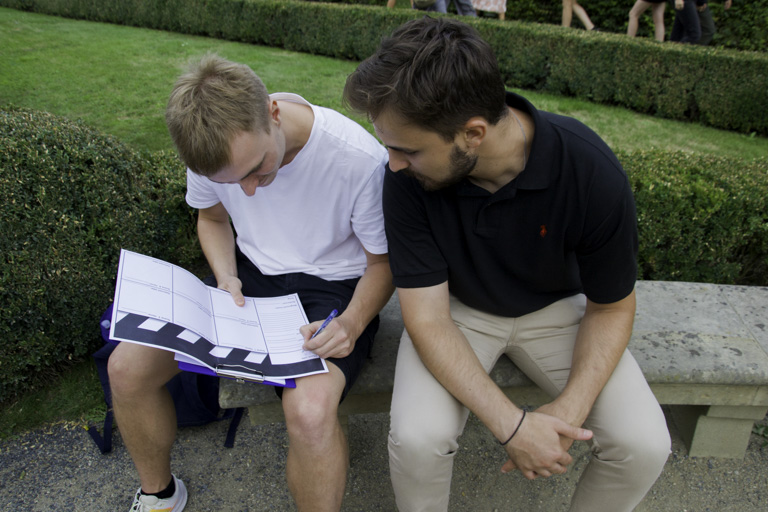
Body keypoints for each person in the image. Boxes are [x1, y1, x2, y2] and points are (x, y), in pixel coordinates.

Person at [343, 17, 670, 512]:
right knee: (418, 439)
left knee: (644, 445)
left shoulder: (588, 170)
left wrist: (567, 411)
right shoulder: (405, 179)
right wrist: (513, 427)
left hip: (557, 311)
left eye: (406, 148)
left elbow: (612, 308)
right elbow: (426, 318)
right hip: (454, 313)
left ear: (472, 133)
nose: (392, 163)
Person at [108, 54, 394, 512]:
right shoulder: (212, 149)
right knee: (126, 369)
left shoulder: (357, 158)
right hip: (248, 275)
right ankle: (159, 495)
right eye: (230, 180)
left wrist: (354, 324)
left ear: (273, 113)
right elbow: (212, 218)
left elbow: (383, 264)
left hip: (334, 287)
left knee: (310, 411)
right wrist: (226, 277)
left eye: (257, 168)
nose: (248, 190)